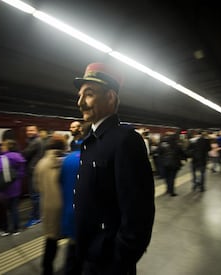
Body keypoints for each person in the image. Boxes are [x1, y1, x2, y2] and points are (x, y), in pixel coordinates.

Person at [73, 62, 155, 274]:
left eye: (88, 94)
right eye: (80, 95)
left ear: (110, 97)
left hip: (107, 263)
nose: (80, 102)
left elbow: (139, 216)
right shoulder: (90, 140)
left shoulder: (126, 141)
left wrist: (118, 261)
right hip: (86, 254)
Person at [33, 134, 67, 275]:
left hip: (47, 206)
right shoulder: (65, 162)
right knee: (72, 239)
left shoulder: (40, 164)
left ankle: (47, 268)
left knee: (51, 240)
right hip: (64, 206)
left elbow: (37, 187)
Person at [60, 122, 90, 275]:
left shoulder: (68, 159)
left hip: (70, 215)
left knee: (72, 254)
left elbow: (61, 186)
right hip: (88, 219)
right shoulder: (94, 161)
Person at [0, 139, 26, 236]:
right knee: (14, 209)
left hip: (4, 188)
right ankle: (16, 229)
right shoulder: (20, 157)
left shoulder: (2, 158)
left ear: (8, 147)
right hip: (16, 187)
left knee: (3, 210)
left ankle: (5, 229)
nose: (1, 147)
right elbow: (22, 174)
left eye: (3, 146)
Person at [21, 125, 45, 227]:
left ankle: (36, 217)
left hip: (33, 171)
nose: (29, 132)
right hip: (35, 169)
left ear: (36, 131)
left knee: (35, 196)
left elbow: (25, 154)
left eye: (32, 130)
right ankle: (37, 214)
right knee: (37, 195)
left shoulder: (35, 142)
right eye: (28, 130)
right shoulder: (36, 141)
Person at [158, 132, 186, 196]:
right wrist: (184, 159)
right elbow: (182, 154)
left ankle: (167, 189)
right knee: (172, 178)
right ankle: (171, 191)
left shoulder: (162, 145)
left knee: (167, 177)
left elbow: (159, 153)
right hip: (175, 164)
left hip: (165, 164)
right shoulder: (177, 145)